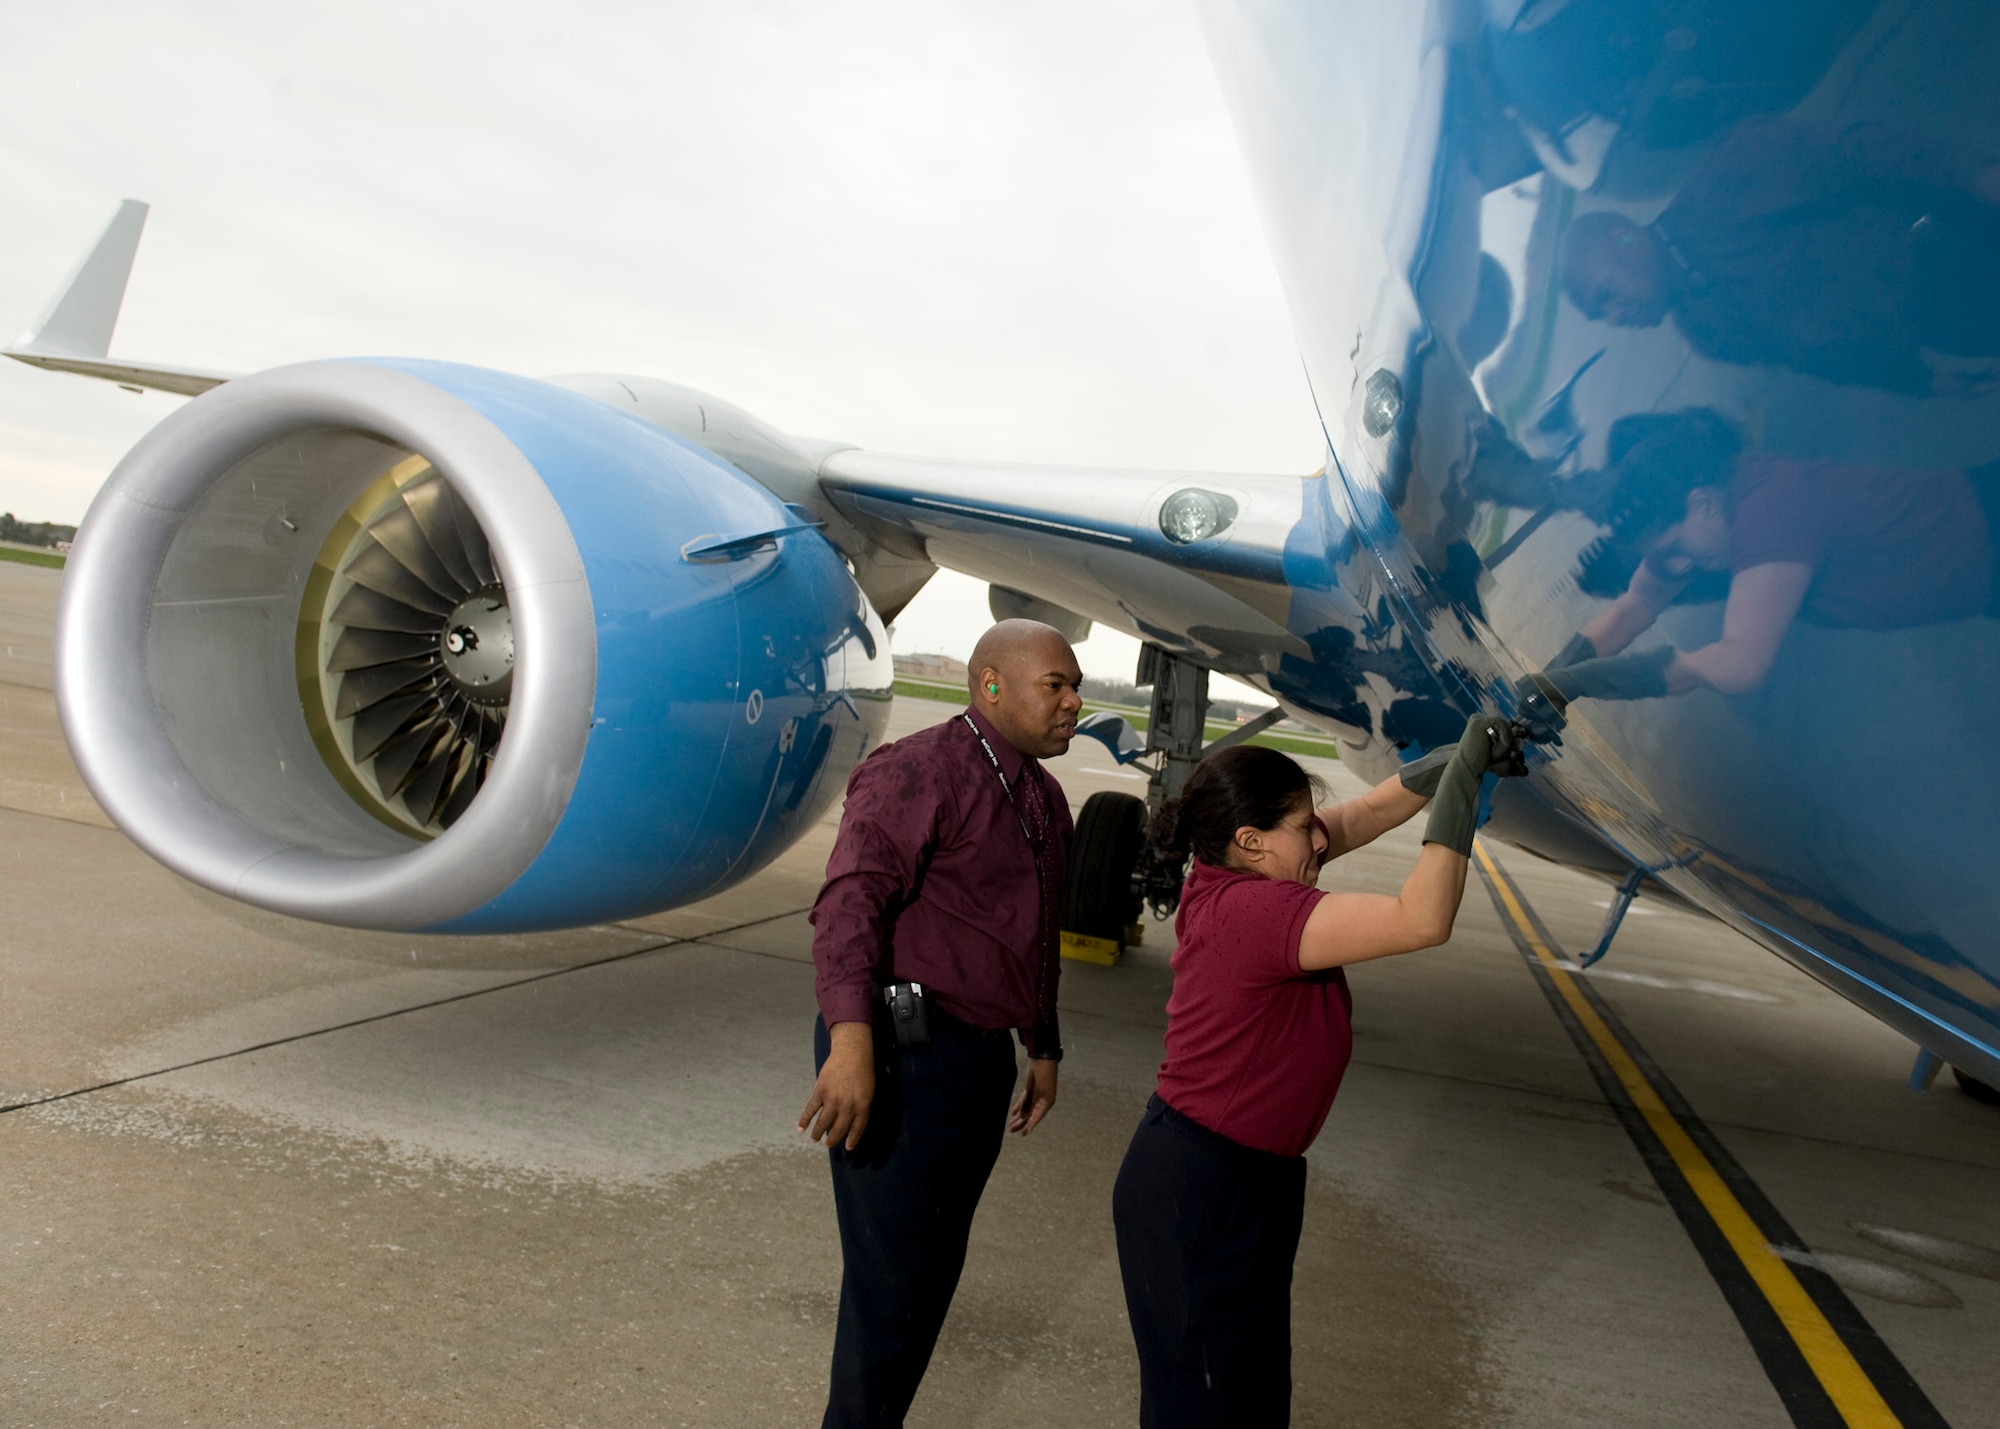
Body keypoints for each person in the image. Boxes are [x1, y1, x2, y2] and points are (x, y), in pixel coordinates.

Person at [1111, 717, 1527, 1428]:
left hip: (1245, 1178)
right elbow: (1420, 918)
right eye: (1303, 827)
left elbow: (1361, 815)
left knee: (1250, 1398)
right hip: (1202, 1184)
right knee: (1207, 1406)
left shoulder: (1243, 866)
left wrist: (1449, 755)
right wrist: (1464, 785)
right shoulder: (1254, 910)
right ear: (1251, 841)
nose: (1319, 839)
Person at [798, 618, 1082, 1428]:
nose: (1072, 703)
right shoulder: (917, 771)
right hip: (894, 1050)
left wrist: (1044, 1044)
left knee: (929, 1280)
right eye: (1054, 686)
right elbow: (848, 903)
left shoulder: (1043, 797)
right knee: (889, 1290)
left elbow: (1035, 932)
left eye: (1076, 687)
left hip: (975, 1062)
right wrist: (850, 1040)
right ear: (990, 684)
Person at [1531, 410, 1999, 706]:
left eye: (1674, 548)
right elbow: (1632, 609)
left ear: (1702, 504)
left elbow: (1742, 665)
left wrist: (1606, 680)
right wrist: (1543, 689)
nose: (1677, 567)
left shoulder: (1772, 515)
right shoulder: (1716, 506)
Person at [1560, 117, 2000, 396]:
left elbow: (1859, 150)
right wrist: (1920, 380)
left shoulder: (1724, 180)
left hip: (1951, 242)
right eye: (1605, 315)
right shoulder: (1704, 330)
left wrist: (1974, 174)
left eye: (1608, 295)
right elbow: (1822, 358)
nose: (1616, 317)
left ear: (1626, 238)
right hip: (1945, 326)